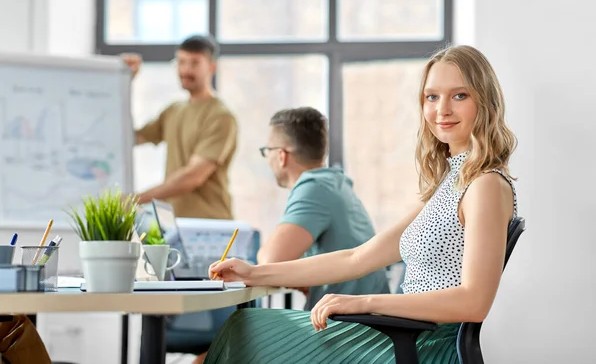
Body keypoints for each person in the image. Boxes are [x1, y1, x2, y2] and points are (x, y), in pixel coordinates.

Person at [199, 45, 519, 364]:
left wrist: (363, 302)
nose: (442, 110)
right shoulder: (452, 182)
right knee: (245, 328)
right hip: (397, 334)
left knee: (248, 330)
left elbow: (475, 301)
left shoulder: (485, 186)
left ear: (485, 101)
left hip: (422, 345)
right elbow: (356, 258)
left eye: (459, 95)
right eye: (431, 97)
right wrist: (255, 273)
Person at [256, 107, 390, 308]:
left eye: (267, 151)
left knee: (243, 323)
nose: (268, 159)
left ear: (282, 155)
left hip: (348, 324)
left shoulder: (314, 188)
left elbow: (269, 262)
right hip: (365, 317)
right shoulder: (336, 184)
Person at [122, 34, 238, 219]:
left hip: (209, 225)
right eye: (181, 62)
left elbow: (193, 177)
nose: (186, 70)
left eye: (194, 63)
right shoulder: (173, 111)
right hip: (174, 223)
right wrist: (125, 80)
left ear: (212, 67)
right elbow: (129, 139)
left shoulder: (220, 116)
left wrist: (135, 200)